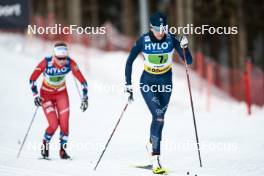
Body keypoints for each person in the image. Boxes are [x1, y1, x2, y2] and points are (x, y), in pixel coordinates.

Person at [125, 12, 192, 174]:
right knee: (158, 116)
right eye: (157, 29)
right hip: (148, 82)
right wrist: (128, 84)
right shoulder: (143, 41)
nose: (161, 32)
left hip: (166, 83)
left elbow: (188, 61)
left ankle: (151, 144)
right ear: (151, 28)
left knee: (160, 118)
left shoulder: (171, 38)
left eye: (164, 28)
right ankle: (156, 159)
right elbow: (129, 61)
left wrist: (184, 46)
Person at [29, 42, 88, 159]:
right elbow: (32, 79)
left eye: (64, 58)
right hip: (46, 95)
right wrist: (35, 96)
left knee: (65, 123)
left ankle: (63, 151)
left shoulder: (70, 63)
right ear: (54, 56)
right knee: (54, 124)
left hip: (61, 94)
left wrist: (85, 98)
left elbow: (83, 82)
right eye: (59, 58)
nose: (62, 61)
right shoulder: (46, 63)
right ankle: (45, 145)